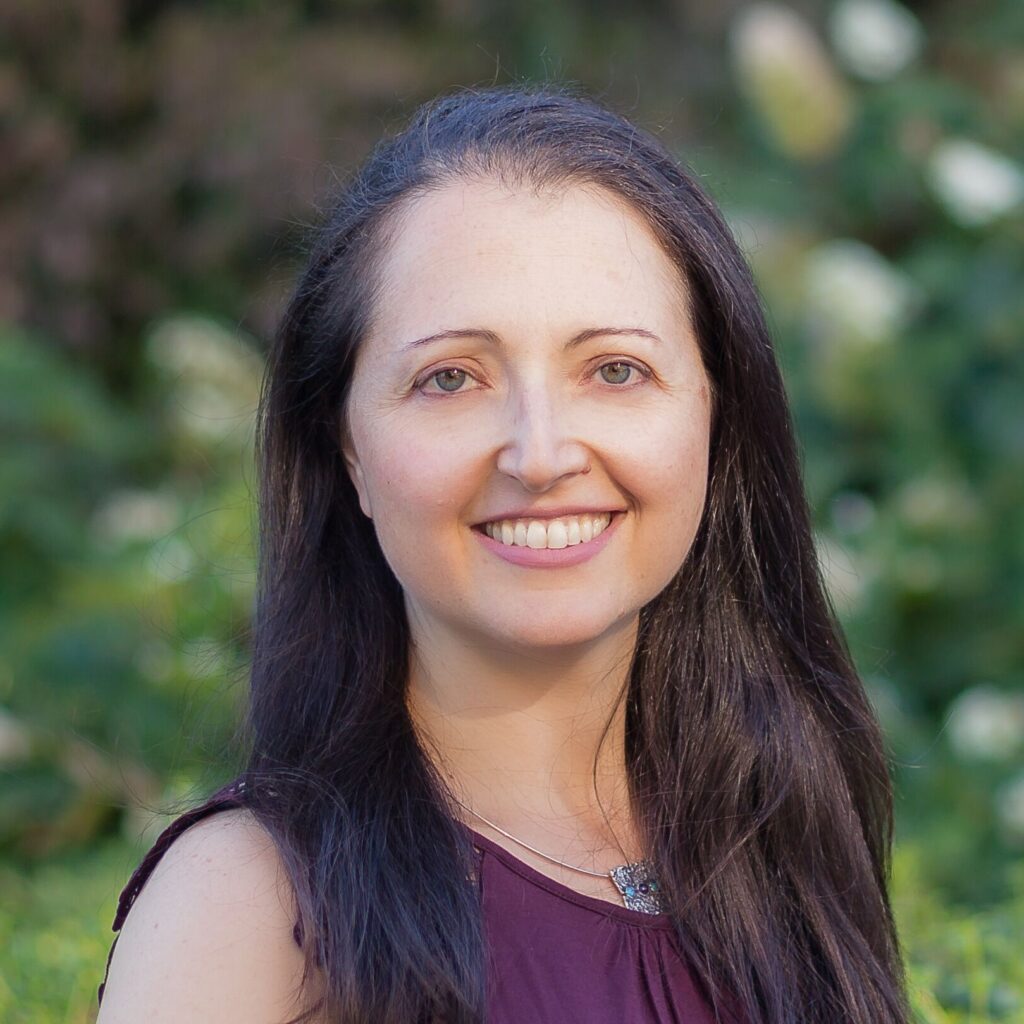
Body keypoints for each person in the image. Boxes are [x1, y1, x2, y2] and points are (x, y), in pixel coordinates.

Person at [96, 83, 910, 1024]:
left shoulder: (784, 836)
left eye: (615, 369)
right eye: (451, 378)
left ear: (717, 415)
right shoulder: (253, 908)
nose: (541, 454)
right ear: (347, 448)